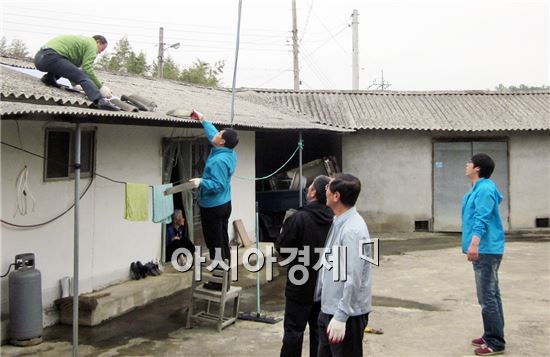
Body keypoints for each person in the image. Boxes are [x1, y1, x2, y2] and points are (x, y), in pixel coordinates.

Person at [276, 175, 334, 357]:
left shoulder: (298, 218)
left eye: (309, 187)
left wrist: (282, 232)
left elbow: (283, 249)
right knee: (319, 333)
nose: (307, 189)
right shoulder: (335, 220)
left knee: (294, 333)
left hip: (299, 284)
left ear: (313, 193)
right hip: (324, 287)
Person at [314, 173, 372, 357]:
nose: (325, 190)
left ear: (336, 196)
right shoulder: (339, 221)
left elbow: (353, 278)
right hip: (329, 309)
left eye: (328, 187)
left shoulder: (352, 230)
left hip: (346, 315)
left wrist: (341, 315)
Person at [189, 110, 238, 289]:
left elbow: (217, 185)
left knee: (214, 243)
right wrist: (203, 120)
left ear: (223, 141)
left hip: (213, 206)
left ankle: (219, 282)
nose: (216, 134)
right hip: (224, 204)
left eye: (219, 134)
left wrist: (201, 181)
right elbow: (213, 136)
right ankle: (226, 277)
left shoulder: (218, 161)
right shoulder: (229, 152)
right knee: (223, 240)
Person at [462, 153, 506, 356]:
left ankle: (495, 342)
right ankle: (492, 333)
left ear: (478, 168)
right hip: (487, 249)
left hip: (486, 249)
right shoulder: (480, 188)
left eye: (469, 162)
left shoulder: (485, 189)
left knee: (487, 296)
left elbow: (482, 218)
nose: (466, 165)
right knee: (492, 294)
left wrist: (474, 244)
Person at [34, 34, 120, 111]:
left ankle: (49, 79)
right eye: (102, 49)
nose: (100, 52)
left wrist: (74, 84)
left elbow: (70, 69)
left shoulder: (81, 43)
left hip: (39, 59)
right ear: (97, 42)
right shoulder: (92, 44)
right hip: (51, 57)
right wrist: (100, 87)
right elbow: (87, 69)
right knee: (83, 76)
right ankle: (99, 101)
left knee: (66, 66)